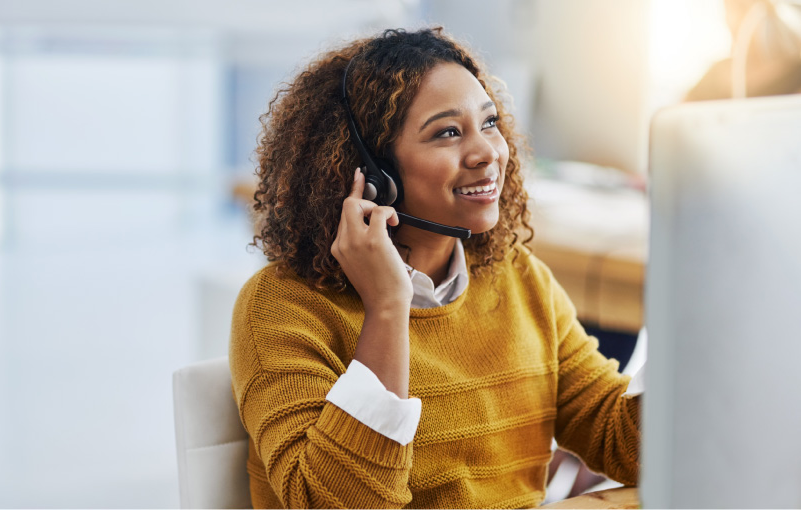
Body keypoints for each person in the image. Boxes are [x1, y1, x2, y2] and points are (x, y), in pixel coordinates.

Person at [229, 27, 639, 509]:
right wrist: (387, 308)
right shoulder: (281, 307)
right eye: (448, 132)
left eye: (489, 123)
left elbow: (620, 440)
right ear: (372, 172)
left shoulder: (517, 276)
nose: (487, 152)